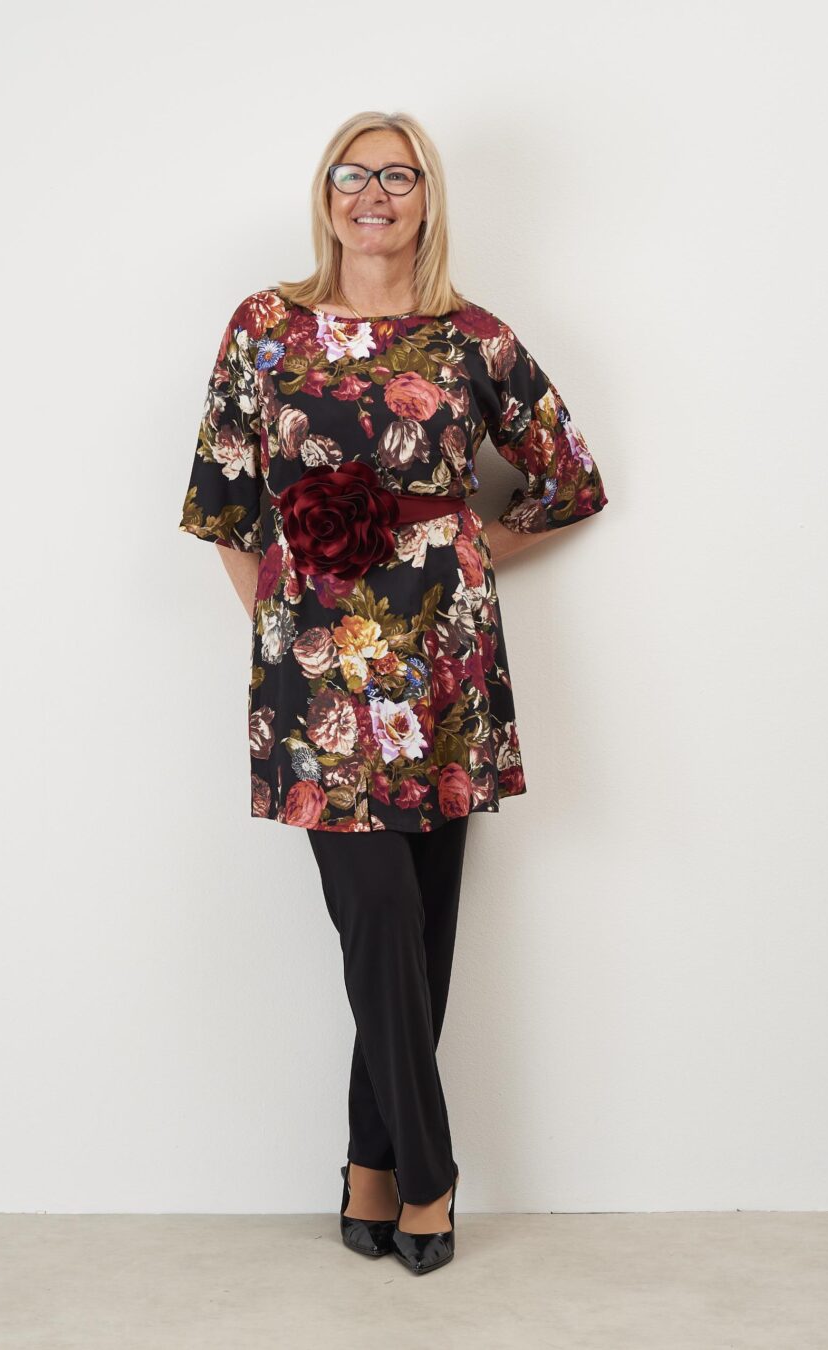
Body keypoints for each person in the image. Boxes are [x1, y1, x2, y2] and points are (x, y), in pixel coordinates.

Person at [178, 110, 608, 1274]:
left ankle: (368, 1166)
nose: (374, 194)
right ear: (325, 195)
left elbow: (569, 480)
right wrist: (286, 630)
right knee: (376, 911)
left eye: (398, 175)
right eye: (352, 174)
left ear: (427, 197)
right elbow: (225, 507)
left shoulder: (474, 339)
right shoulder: (264, 328)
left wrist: (457, 553)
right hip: (314, 666)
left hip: (441, 664)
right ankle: (429, 1172)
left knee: (423, 922)